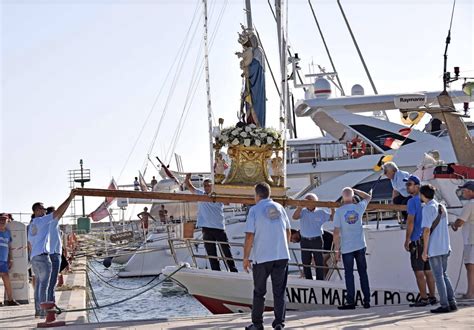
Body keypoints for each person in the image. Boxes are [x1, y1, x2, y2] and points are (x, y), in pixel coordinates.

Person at [244, 183, 290, 330]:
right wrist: (284, 247)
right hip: (281, 255)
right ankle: (279, 323)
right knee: (279, 291)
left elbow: (250, 235)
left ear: (257, 195)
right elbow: (288, 231)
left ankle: (257, 324)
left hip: (262, 257)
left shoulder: (254, 210)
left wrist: (246, 257)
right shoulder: (280, 208)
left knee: (259, 292)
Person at [29, 193, 74, 317]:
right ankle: (46, 311)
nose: (44, 211)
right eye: (43, 209)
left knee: (39, 285)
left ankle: (39, 310)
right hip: (44, 256)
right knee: (46, 284)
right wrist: (70, 198)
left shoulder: (32, 224)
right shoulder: (45, 220)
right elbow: (59, 212)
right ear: (37, 210)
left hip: (34, 257)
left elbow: (29, 243)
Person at [185, 174, 237, 272]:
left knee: (226, 251)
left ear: (212, 186)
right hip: (207, 228)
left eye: (208, 185)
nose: (206, 187)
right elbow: (190, 187)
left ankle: (233, 270)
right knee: (211, 252)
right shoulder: (201, 194)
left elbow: (228, 200)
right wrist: (188, 178)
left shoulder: (219, 195)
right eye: (205, 186)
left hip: (219, 228)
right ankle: (216, 271)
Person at [333, 187, 372, 309]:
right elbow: (368, 197)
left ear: (342, 197)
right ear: (352, 196)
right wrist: (356, 190)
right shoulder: (359, 207)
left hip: (347, 248)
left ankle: (351, 301)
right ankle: (367, 301)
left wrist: (337, 250)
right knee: (363, 273)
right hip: (360, 245)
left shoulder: (339, 211)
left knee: (349, 274)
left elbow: (336, 233)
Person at [420, 184, 457, 313]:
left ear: (423, 195)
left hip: (434, 248)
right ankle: (452, 301)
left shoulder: (427, 208)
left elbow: (426, 230)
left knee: (438, 276)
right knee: (444, 275)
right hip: (445, 246)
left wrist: (424, 251)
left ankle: (444, 304)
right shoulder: (442, 207)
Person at [403, 176, 437, 307]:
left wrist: (407, 240)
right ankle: (432, 297)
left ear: (417, 186)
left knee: (419, 272)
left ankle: (424, 298)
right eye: (407, 185)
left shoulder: (412, 202)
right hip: (428, 240)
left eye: (410, 184)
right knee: (429, 271)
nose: (408, 187)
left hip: (417, 240)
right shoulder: (430, 202)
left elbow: (410, 222)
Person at [292, 193, 331, 280]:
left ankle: (320, 280)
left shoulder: (321, 212)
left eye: (309, 201)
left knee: (319, 262)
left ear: (315, 202)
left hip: (317, 240)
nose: (307, 203)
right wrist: (300, 207)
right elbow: (294, 217)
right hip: (305, 240)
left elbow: (332, 218)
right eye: (306, 201)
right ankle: (308, 279)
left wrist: (332, 208)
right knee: (305, 262)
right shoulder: (302, 211)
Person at [452, 181, 474, 299]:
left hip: (471, 240)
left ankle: (470, 293)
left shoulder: (470, 204)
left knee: (470, 267)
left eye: (464, 191)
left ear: (471, 192)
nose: (462, 193)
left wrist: (454, 225)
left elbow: (460, 221)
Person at [0, 214, 19, 306]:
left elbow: (9, 246)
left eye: (4, 219)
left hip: (3, 260)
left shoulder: (7, 233)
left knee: (6, 279)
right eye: (1, 219)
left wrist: (10, 258)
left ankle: (11, 300)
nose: (2, 221)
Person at [46, 206, 62, 303]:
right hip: (54, 254)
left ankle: (49, 302)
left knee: (49, 282)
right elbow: (61, 211)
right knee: (52, 282)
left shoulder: (46, 223)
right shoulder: (53, 221)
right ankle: (51, 303)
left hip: (51, 253)